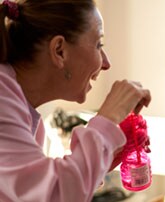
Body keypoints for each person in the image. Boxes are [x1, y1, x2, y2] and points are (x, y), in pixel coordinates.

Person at [0, 0, 151, 201]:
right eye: (99, 45)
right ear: (60, 50)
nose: (106, 63)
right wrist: (107, 120)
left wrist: (100, 160)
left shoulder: (28, 119)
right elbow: (54, 193)